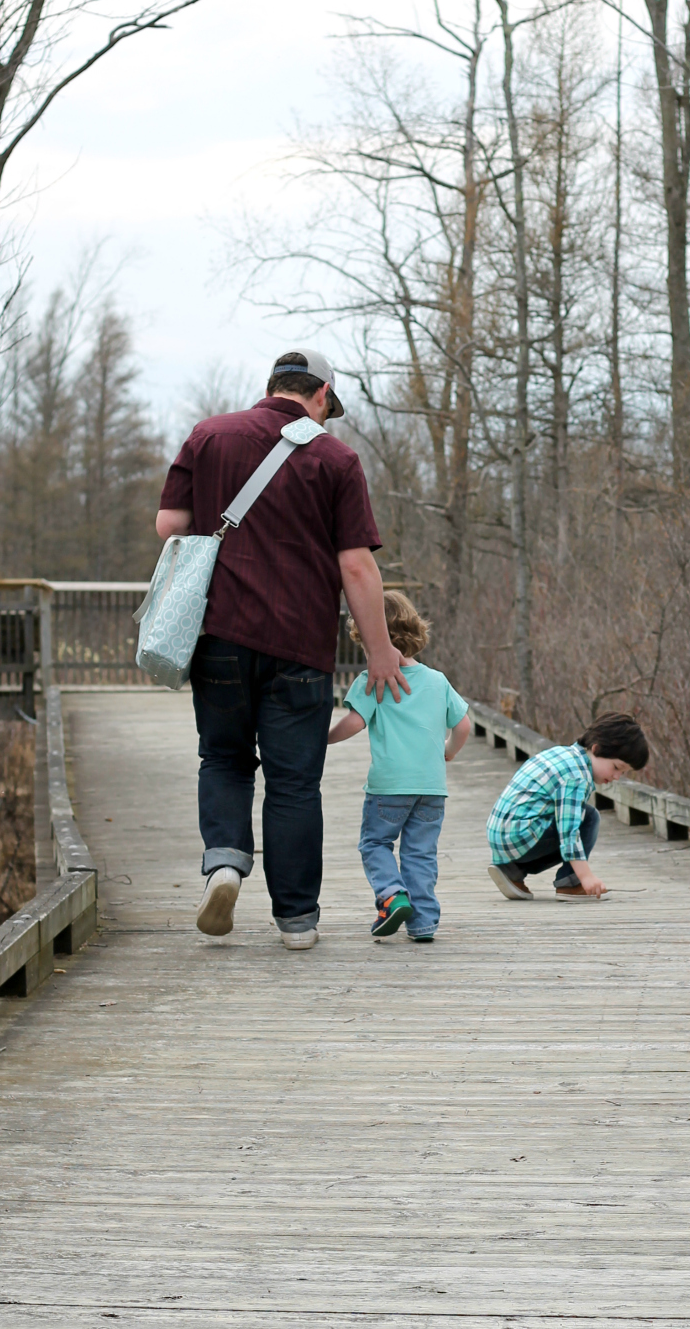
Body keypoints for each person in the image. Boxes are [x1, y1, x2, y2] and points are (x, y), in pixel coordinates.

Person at [155, 350, 410, 951]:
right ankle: (296, 921)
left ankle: (223, 862)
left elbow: (170, 524)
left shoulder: (209, 436)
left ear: (270, 387)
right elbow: (356, 566)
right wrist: (380, 651)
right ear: (322, 394)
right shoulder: (336, 458)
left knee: (223, 758)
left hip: (218, 636)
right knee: (295, 783)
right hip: (300, 646)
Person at [327, 592, 471, 944]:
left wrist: (321, 740)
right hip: (432, 787)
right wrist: (448, 752)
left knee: (375, 843)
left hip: (389, 787)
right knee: (420, 853)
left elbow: (355, 723)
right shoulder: (438, 680)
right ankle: (423, 924)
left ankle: (391, 896)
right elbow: (464, 725)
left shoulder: (372, 678)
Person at [486, 714, 649, 901]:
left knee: (571, 815)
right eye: (616, 767)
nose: (617, 777)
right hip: (519, 836)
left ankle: (512, 870)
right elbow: (569, 831)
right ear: (596, 749)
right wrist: (585, 876)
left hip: (501, 836)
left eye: (623, 772)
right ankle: (570, 883)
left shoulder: (562, 754)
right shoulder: (577, 777)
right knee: (589, 817)